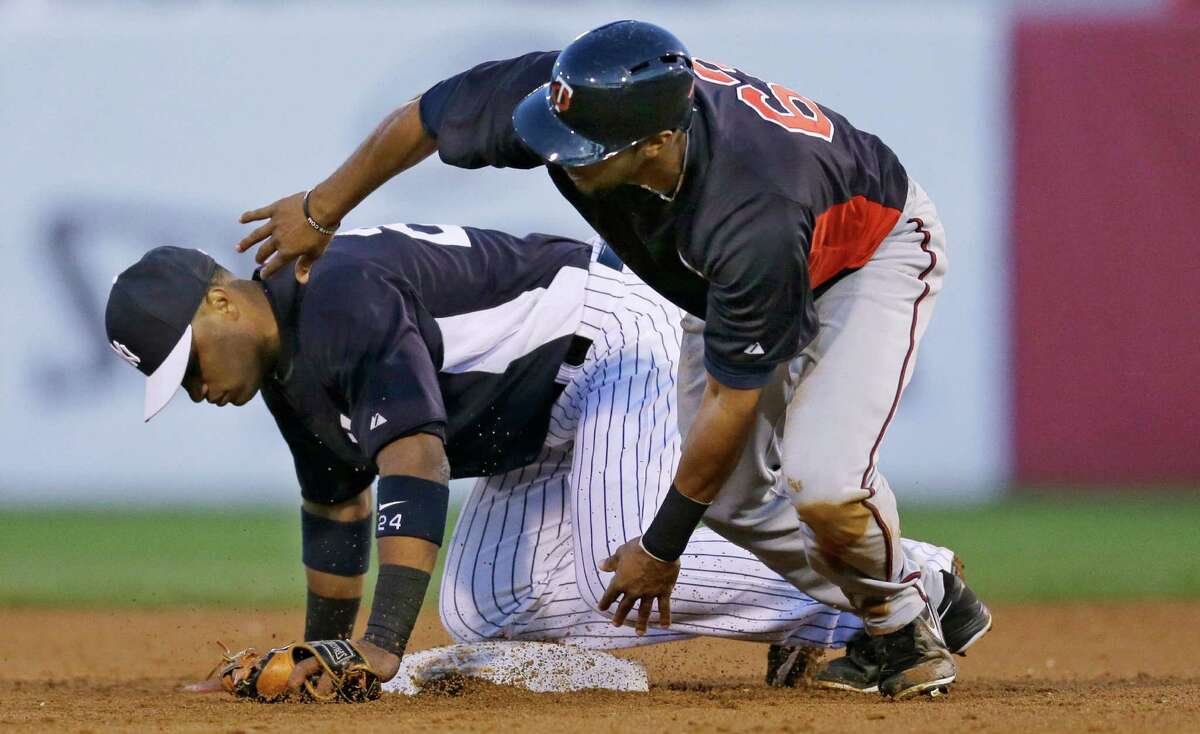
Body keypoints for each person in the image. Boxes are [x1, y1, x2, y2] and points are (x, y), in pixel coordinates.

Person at [233, 21, 992, 697]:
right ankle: (905, 595)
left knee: (821, 480)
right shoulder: (572, 97)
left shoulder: (748, 211)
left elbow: (734, 402)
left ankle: (901, 621)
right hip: (715, 281)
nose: (558, 159)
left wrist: (662, 548)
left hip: (865, 256)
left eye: (584, 154)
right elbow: (425, 119)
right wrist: (320, 208)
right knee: (727, 497)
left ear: (659, 143)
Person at [105, 223, 971, 698]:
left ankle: (907, 582)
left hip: (610, 342)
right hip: (535, 416)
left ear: (223, 298)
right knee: (487, 607)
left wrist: (380, 647)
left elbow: (415, 458)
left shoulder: (335, 293)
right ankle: (824, 620)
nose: (196, 390)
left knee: (635, 553)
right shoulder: (283, 369)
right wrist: (325, 657)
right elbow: (337, 510)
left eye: (188, 364)